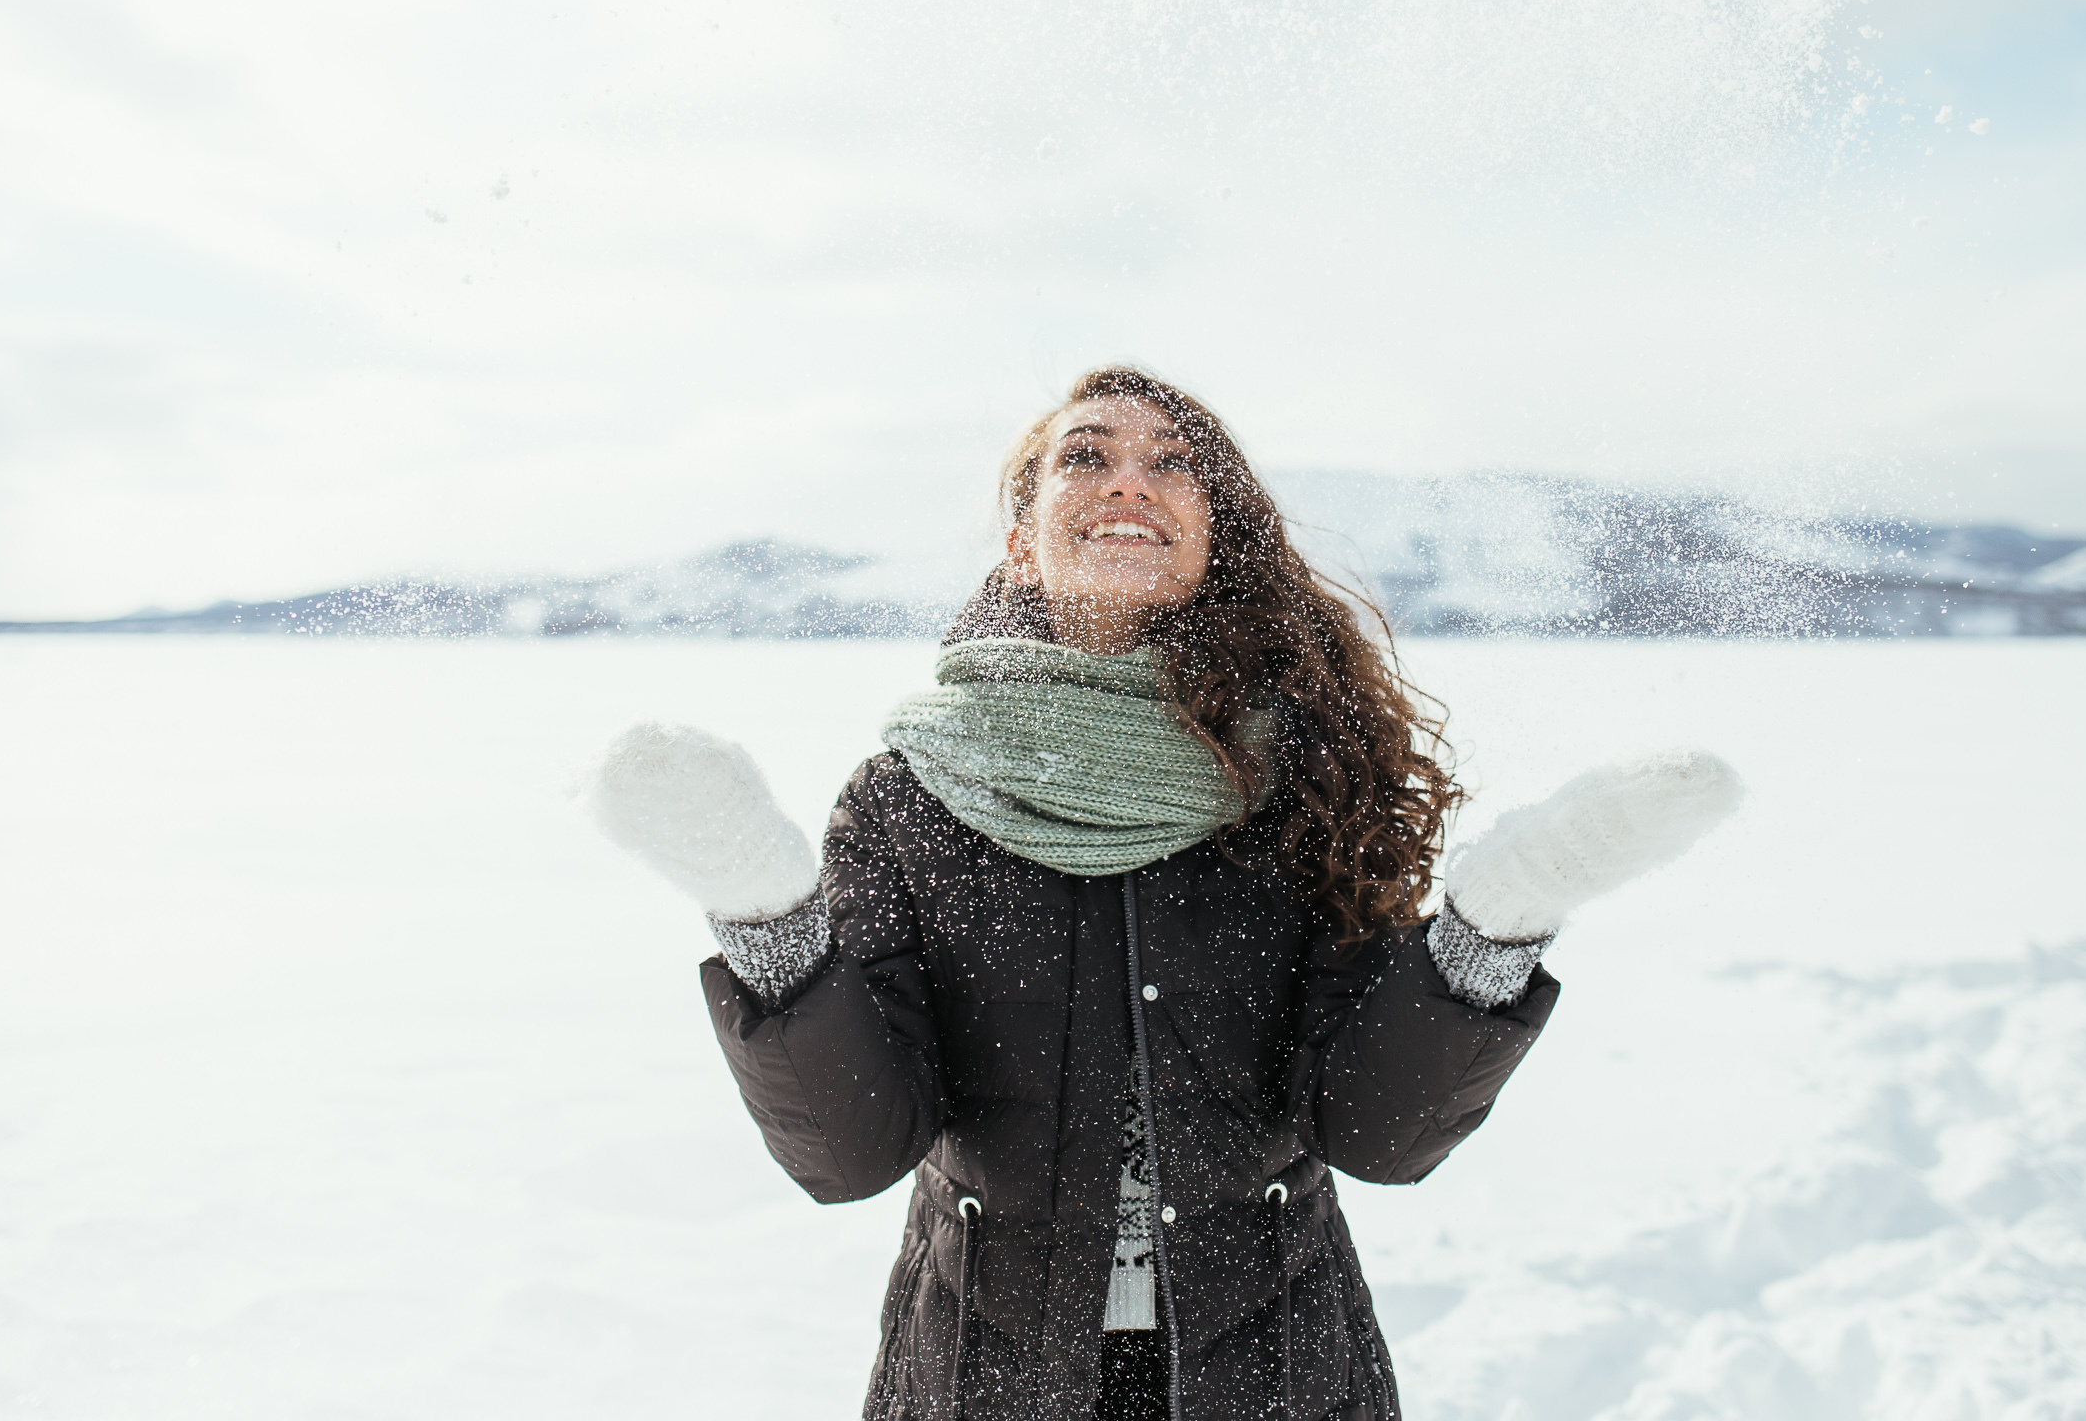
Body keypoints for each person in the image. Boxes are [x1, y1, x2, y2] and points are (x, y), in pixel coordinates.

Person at [586, 367, 1742, 1420]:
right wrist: (768, 918)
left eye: (1174, 459)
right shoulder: (912, 795)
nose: (1129, 477)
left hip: (1280, 1376)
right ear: (1018, 543)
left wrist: (1498, 922)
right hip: (983, 1381)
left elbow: (1377, 1129)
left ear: (1213, 535)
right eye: (1084, 455)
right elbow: (852, 1149)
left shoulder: (1298, 777)